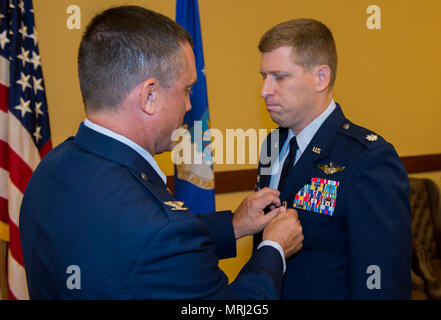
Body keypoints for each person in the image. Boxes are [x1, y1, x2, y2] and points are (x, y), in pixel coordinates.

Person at [19, 6, 303, 299]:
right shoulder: (160, 229)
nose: (190, 106)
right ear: (149, 96)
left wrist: (233, 226)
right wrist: (273, 250)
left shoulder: (50, 168)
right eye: (187, 90)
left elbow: (125, 244)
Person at [253, 18, 412, 299]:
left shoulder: (367, 159)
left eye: (279, 77)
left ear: (321, 78)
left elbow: (380, 280)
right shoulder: (273, 144)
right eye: (263, 76)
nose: (265, 90)